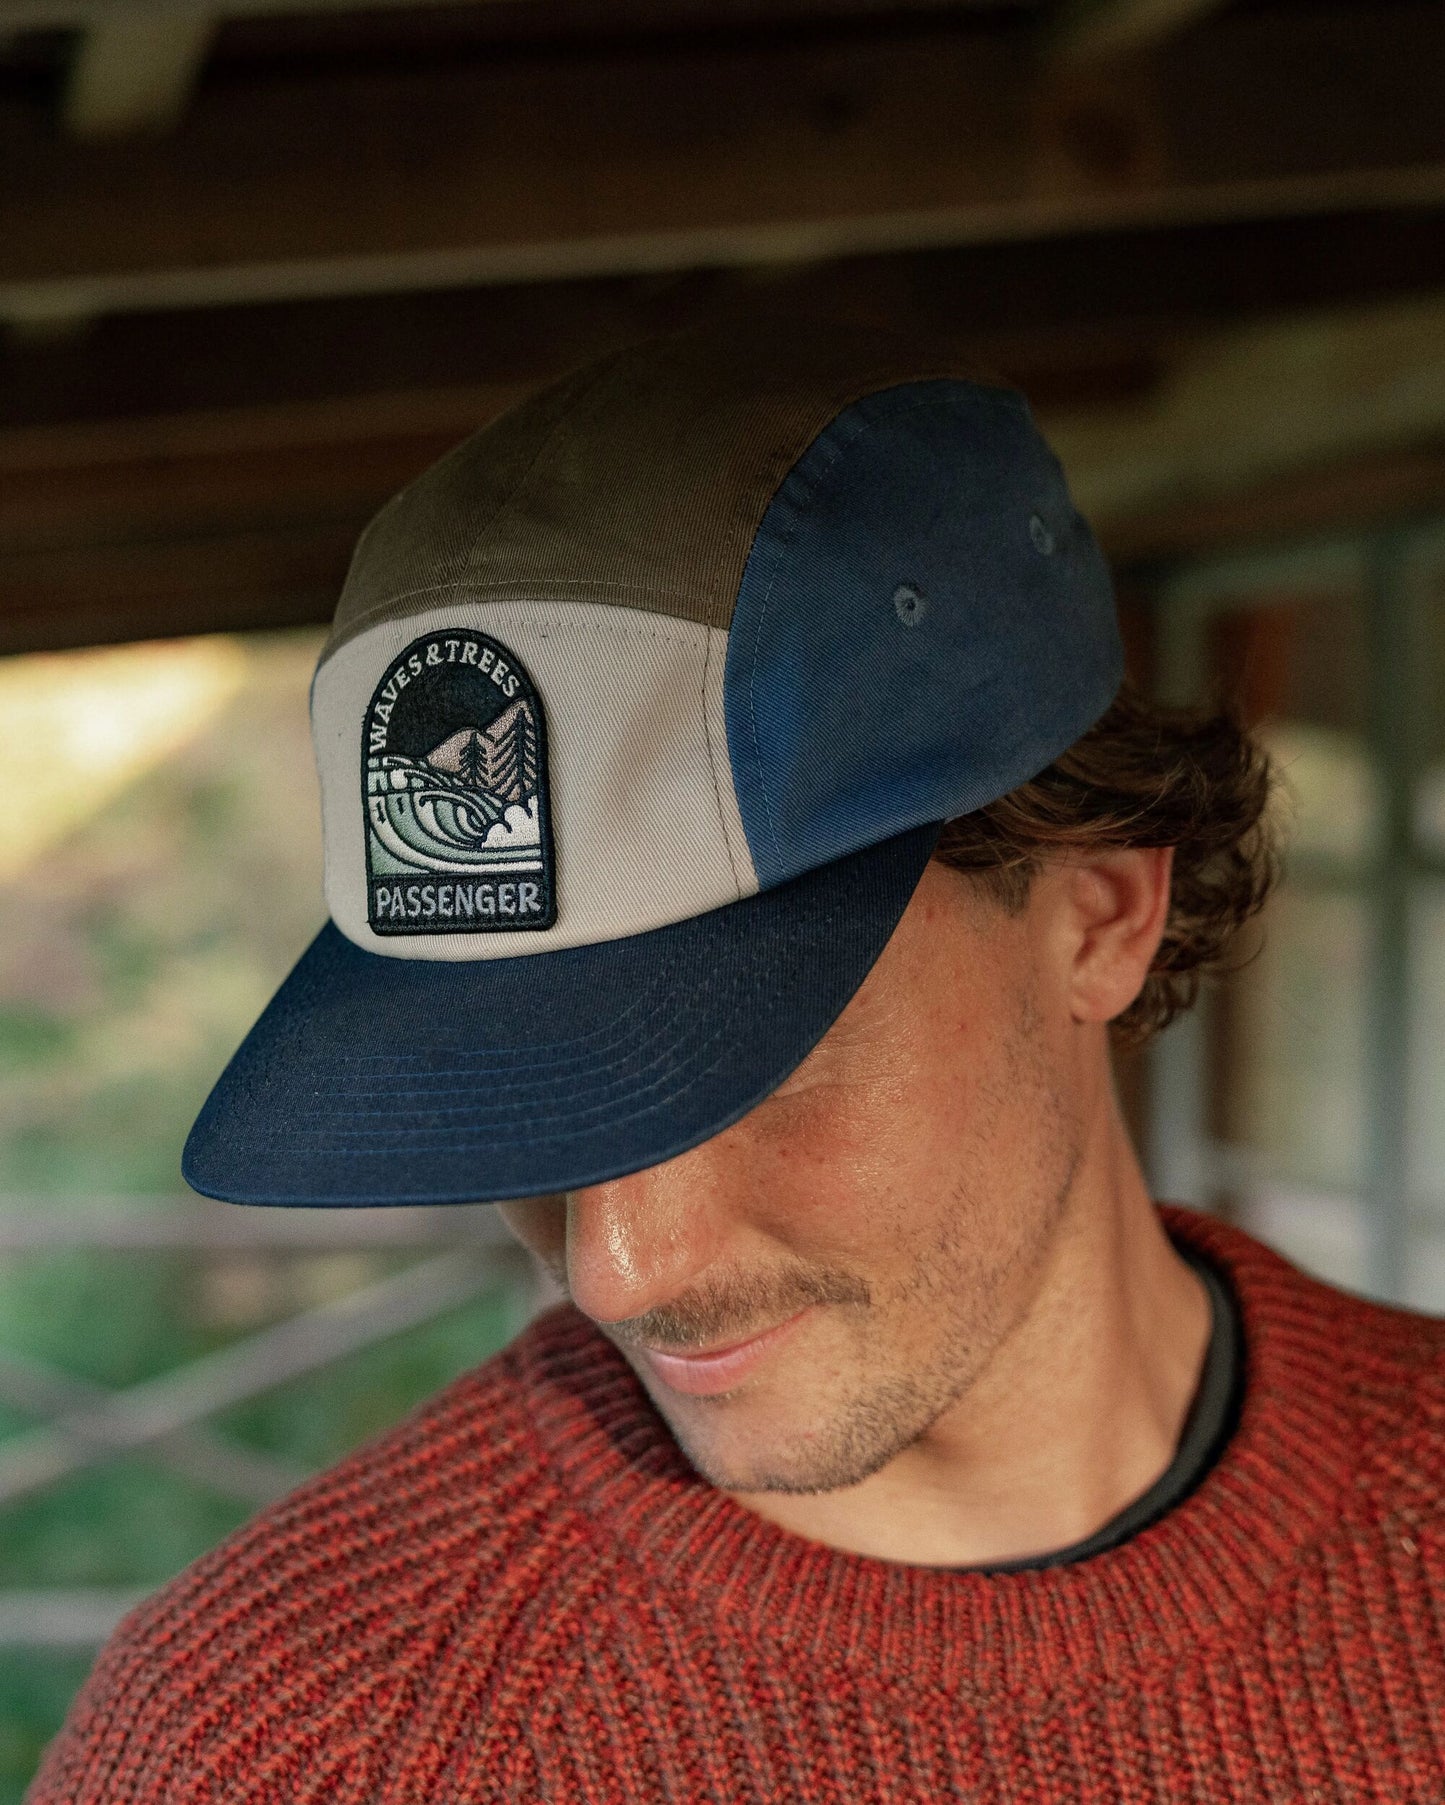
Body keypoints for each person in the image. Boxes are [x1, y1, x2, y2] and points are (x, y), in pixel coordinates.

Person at [27, 316, 1443, 1803]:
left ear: (1099, 916)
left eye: (749, 1064)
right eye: (523, 1096)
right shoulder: (276, 1749)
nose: (613, 1269)